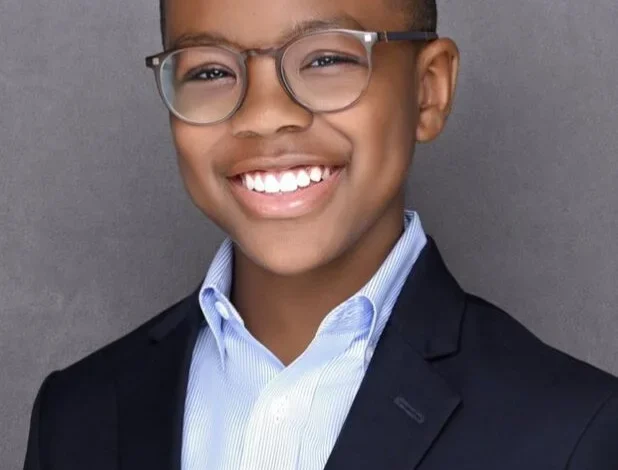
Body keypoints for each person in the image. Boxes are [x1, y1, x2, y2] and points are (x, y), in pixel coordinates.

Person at [23, 0, 618, 468]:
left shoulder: (572, 432)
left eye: (326, 60)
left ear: (428, 89)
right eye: (210, 70)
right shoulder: (76, 416)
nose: (264, 115)